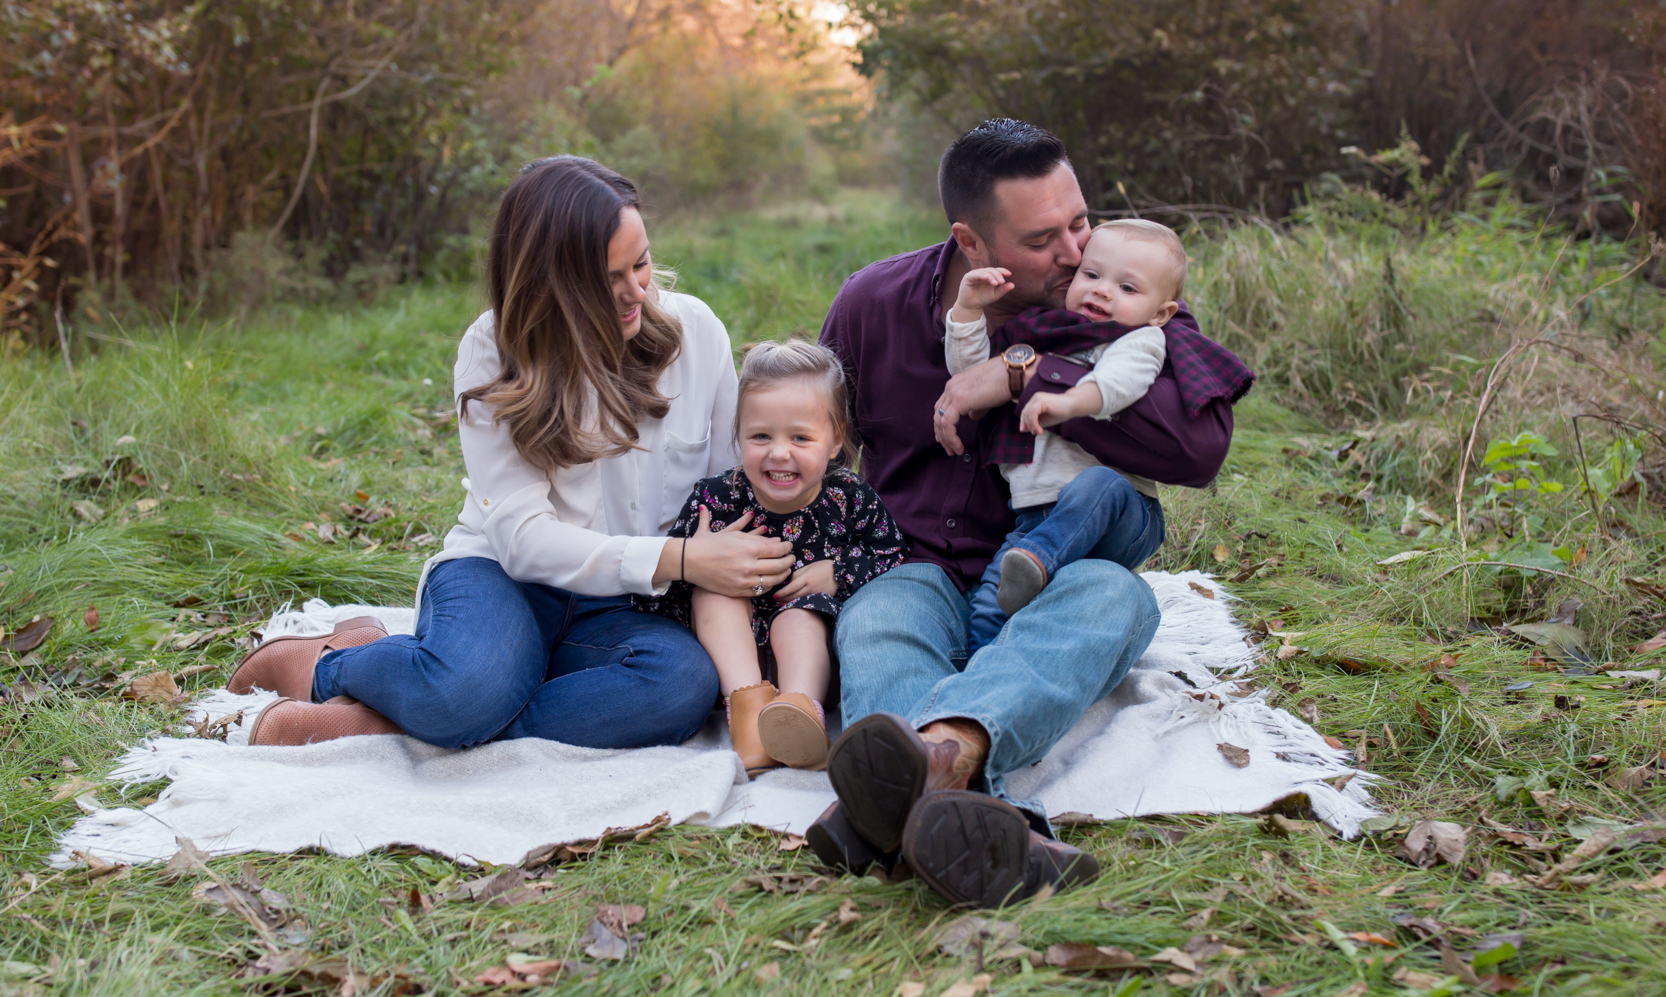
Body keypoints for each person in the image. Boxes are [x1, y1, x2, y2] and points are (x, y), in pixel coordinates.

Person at [813, 119, 1247, 909]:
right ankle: (983, 805)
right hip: (914, 561)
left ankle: (922, 771)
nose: (1079, 252)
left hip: (1051, 573)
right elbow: (820, 446)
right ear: (971, 242)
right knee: (876, 619)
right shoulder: (871, 302)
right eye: (1045, 237)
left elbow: (1197, 450)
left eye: (1079, 220)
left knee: (1120, 598)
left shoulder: (1120, 302)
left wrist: (1022, 377)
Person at [225, 155, 797, 748]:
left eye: (642, 263)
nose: (636, 292)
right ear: (554, 283)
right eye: (609, 279)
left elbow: (729, 492)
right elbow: (525, 543)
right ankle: (333, 663)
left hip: (631, 602)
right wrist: (682, 558)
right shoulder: (494, 351)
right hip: (503, 577)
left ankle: (413, 714)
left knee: (681, 686)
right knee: (462, 693)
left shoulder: (697, 333)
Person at [641, 340, 905, 774]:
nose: (779, 452)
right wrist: (697, 560)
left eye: (800, 437)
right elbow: (665, 590)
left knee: (799, 618)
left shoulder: (848, 497)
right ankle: (749, 715)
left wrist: (838, 572)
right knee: (714, 592)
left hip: (812, 661)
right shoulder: (716, 500)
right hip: (731, 661)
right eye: (761, 436)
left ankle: (800, 712)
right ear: (738, 435)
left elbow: (891, 552)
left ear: (835, 440)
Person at [945, 219, 1188, 650]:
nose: (1102, 290)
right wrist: (967, 311)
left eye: (1127, 288)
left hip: (1125, 516)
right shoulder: (1041, 332)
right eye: (1091, 275)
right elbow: (970, 378)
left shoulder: (1139, 339)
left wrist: (1066, 401)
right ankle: (971, 683)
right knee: (990, 603)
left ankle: (1039, 561)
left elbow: (1120, 382)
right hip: (1036, 521)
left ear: (1161, 312)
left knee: (1097, 485)